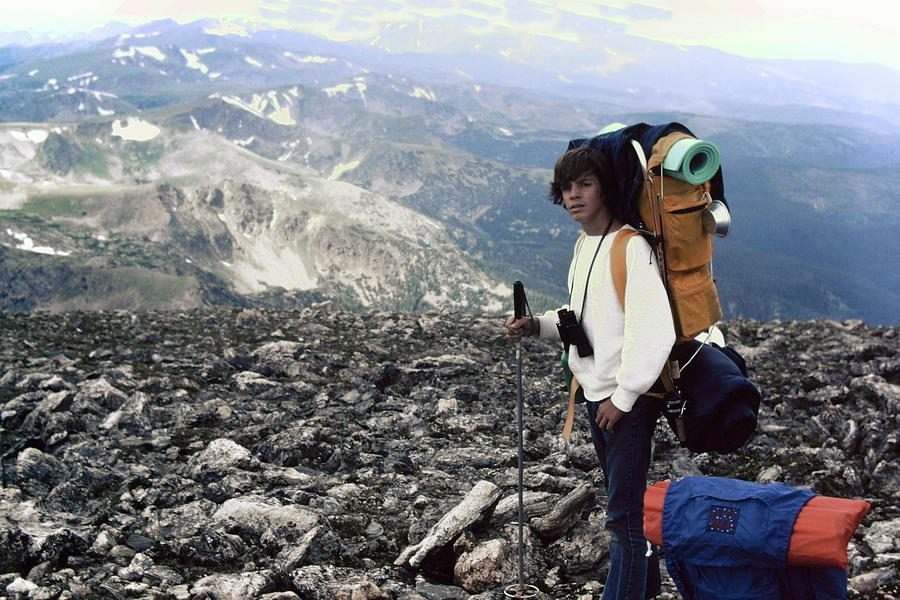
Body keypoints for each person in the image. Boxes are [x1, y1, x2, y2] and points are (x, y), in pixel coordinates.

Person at [505, 145, 675, 600]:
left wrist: (624, 397)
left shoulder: (631, 247)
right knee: (626, 510)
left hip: (625, 403)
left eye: (585, 184)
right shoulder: (585, 245)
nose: (574, 195)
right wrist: (537, 326)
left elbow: (654, 330)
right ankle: (645, 590)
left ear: (606, 189)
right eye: (567, 188)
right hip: (598, 395)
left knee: (623, 519)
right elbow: (582, 319)